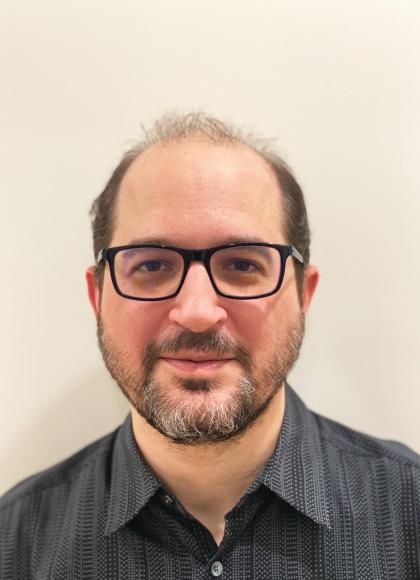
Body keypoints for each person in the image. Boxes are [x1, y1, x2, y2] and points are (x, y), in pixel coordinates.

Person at [0, 113, 419, 580]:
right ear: (98, 296)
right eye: (152, 265)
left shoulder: (409, 511)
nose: (197, 312)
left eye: (242, 265)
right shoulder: (16, 542)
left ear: (303, 295)